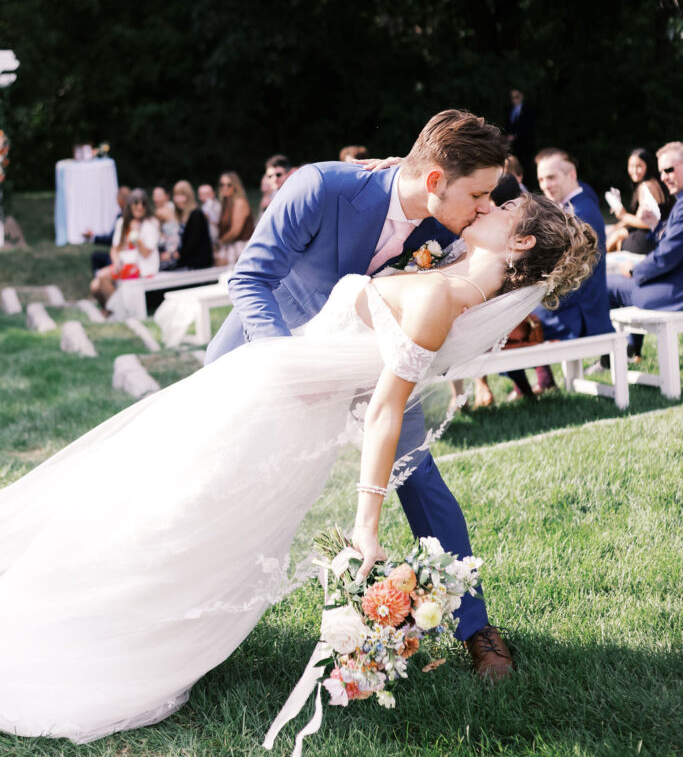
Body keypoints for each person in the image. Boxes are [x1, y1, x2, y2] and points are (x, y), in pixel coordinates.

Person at [0, 191, 596, 743]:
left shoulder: (446, 296)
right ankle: (96, 608)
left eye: (505, 206)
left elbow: (387, 409)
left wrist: (367, 521)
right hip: (268, 381)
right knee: (166, 500)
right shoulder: (453, 270)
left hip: (275, 407)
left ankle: (93, 626)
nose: (488, 203)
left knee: (178, 507)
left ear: (519, 244)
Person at [207, 110, 518, 677]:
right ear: (433, 182)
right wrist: (290, 367)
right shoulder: (320, 186)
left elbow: (523, 215)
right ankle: (196, 607)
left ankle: (475, 626)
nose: (484, 207)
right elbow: (251, 279)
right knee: (221, 473)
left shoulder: (457, 211)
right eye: (477, 194)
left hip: (373, 358)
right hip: (271, 344)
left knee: (419, 474)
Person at [507, 148, 612, 396]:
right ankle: (537, 383)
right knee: (512, 313)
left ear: (571, 174)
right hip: (570, 301)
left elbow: (579, 277)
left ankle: (532, 387)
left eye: (552, 177)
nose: (545, 185)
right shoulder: (574, 204)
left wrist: (538, 299)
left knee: (510, 324)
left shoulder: (582, 212)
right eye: (542, 179)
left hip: (579, 312)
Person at [607, 141, 683, 359]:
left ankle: (611, 359)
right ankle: (631, 351)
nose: (665, 177)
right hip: (673, 281)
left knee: (605, 285)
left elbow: (666, 257)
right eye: (661, 172)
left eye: (669, 169)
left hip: (675, 292)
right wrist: (655, 226)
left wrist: (636, 270)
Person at [89, 189, 160, 313]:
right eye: (136, 204)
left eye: (143, 204)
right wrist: (116, 263)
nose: (140, 207)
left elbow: (146, 253)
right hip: (124, 263)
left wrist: (136, 235)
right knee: (94, 286)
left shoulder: (151, 224)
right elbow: (114, 249)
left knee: (102, 276)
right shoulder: (122, 223)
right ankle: (114, 310)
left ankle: (116, 312)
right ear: (130, 206)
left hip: (142, 266)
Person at [606, 148, 668, 255]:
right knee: (617, 232)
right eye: (631, 166)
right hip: (657, 235)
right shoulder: (653, 182)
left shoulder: (646, 187)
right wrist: (619, 224)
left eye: (639, 166)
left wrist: (623, 215)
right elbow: (639, 217)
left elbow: (647, 223)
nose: (634, 170)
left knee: (616, 237)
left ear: (647, 166)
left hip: (647, 241)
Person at [159, 181, 213, 271]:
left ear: (189, 196)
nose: (178, 199)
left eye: (182, 195)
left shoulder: (196, 214)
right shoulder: (181, 215)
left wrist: (173, 255)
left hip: (196, 264)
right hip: (185, 260)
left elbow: (192, 245)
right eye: (176, 195)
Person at [86, 185, 131, 276]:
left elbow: (112, 239)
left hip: (122, 254)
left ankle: (101, 282)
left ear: (120, 200)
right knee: (96, 256)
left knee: (105, 259)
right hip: (120, 251)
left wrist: (93, 237)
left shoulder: (122, 217)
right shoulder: (122, 215)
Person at [214, 171, 254, 266]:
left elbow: (235, 231)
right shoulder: (225, 204)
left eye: (229, 185)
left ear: (235, 186)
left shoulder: (239, 202)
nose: (225, 187)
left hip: (241, 247)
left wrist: (219, 242)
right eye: (222, 184)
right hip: (230, 246)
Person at [504, 89, 535, 178]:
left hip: (524, 145)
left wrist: (515, 136)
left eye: (516, 97)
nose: (514, 100)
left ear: (522, 96)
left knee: (523, 167)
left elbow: (529, 128)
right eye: (512, 97)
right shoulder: (509, 110)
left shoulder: (528, 110)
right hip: (512, 146)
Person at [153, 183, 180, 260]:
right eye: (154, 196)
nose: (155, 199)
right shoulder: (172, 206)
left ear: (166, 196)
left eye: (158, 196)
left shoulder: (160, 211)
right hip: (170, 247)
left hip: (171, 250)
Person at [197, 183, 222, 248]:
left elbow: (217, 222)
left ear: (213, 194)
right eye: (203, 194)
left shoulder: (218, 206)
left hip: (216, 240)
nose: (206, 196)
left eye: (208, 194)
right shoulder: (202, 207)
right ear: (199, 197)